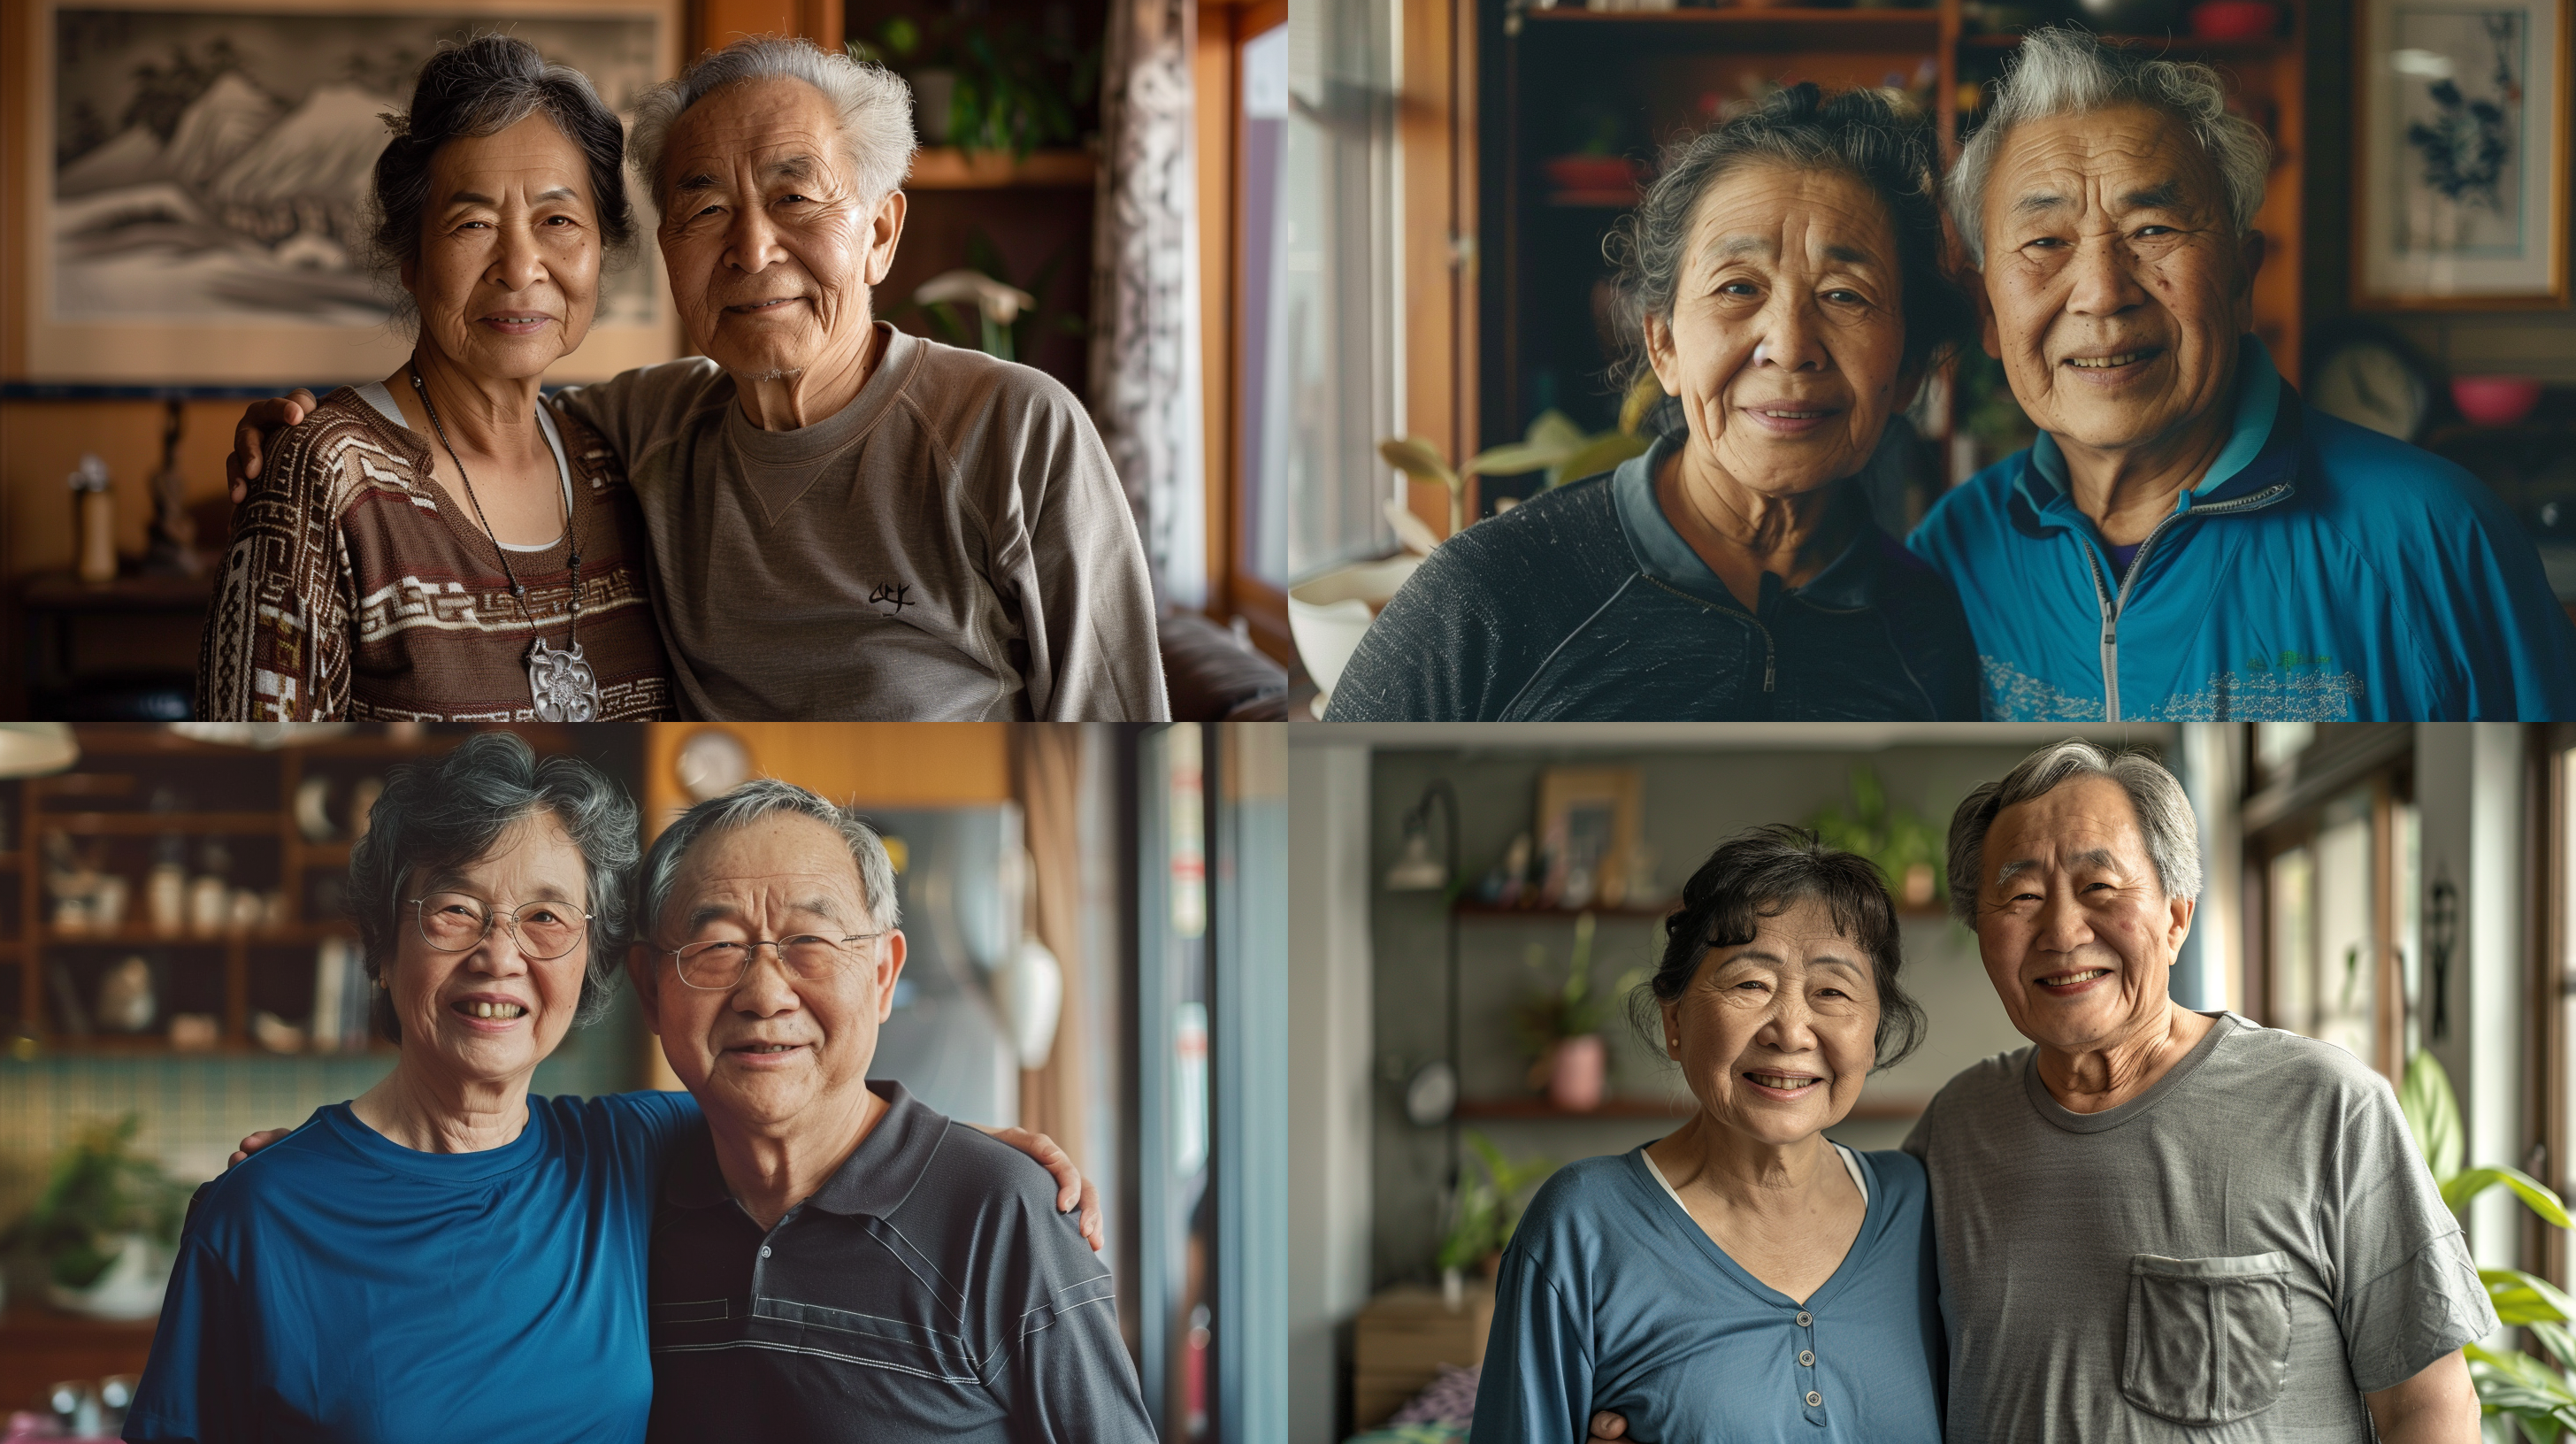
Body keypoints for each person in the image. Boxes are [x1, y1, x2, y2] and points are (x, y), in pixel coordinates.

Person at [124, 734, 1092, 1444]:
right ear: (383, 944)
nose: (499, 958)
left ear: (589, 962)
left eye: (547, 917)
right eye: (456, 910)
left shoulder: (625, 1154)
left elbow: (805, 1112)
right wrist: (298, 1170)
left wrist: (972, 1157)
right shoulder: (255, 1217)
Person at [226, 36, 1168, 722]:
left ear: (880, 231)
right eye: (706, 207)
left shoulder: (1012, 434)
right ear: (668, 251)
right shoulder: (643, 432)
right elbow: (473, 409)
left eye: (794, 197)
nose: (752, 247)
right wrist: (312, 439)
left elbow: (1125, 743)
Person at [1591, 740, 2491, 1444]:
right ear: (1980, 932)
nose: (2061, 931)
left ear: (2176, 916)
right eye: (2017, 898)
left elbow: (2428, 1407)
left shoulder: (2326, 1109)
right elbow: (1829, 1346)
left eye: (2099, 888)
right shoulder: (1955, 1132)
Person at [1913, 27, 2576, 720]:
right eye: (2046, 242)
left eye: (2152, 230)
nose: (2102, 292)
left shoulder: (2436, 538)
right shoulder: (1951, 553)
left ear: (2240, 282)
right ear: (1986, 314)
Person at [1326, 84, 1979, 720]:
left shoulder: (1928, 630)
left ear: (1909, 370)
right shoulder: (1490, 592)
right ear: (1663, 345)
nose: (1788, 345)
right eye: (1737, 287)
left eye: (1845, 295)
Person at [627, 779, 1153, 1438]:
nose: (765, 994)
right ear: (650, 988)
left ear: (882, 974)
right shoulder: (623, 1203)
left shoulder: (1002, 1213)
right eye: (719, 946)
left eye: (810, 943)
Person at [196, 35, 673, 721]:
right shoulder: (327, 477)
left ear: (601, 250)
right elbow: (247, 780)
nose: (520, 266)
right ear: (411, 258)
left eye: (559, 220)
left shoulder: (614, 462)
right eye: (473, 222)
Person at [1473, 827, 1943, 1442]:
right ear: (1675, 1021)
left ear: (1874, 1036)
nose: (1792, 1031)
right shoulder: (1582, 1226)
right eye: (1751, 984)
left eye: (1833, 991)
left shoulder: (1919, 1208)